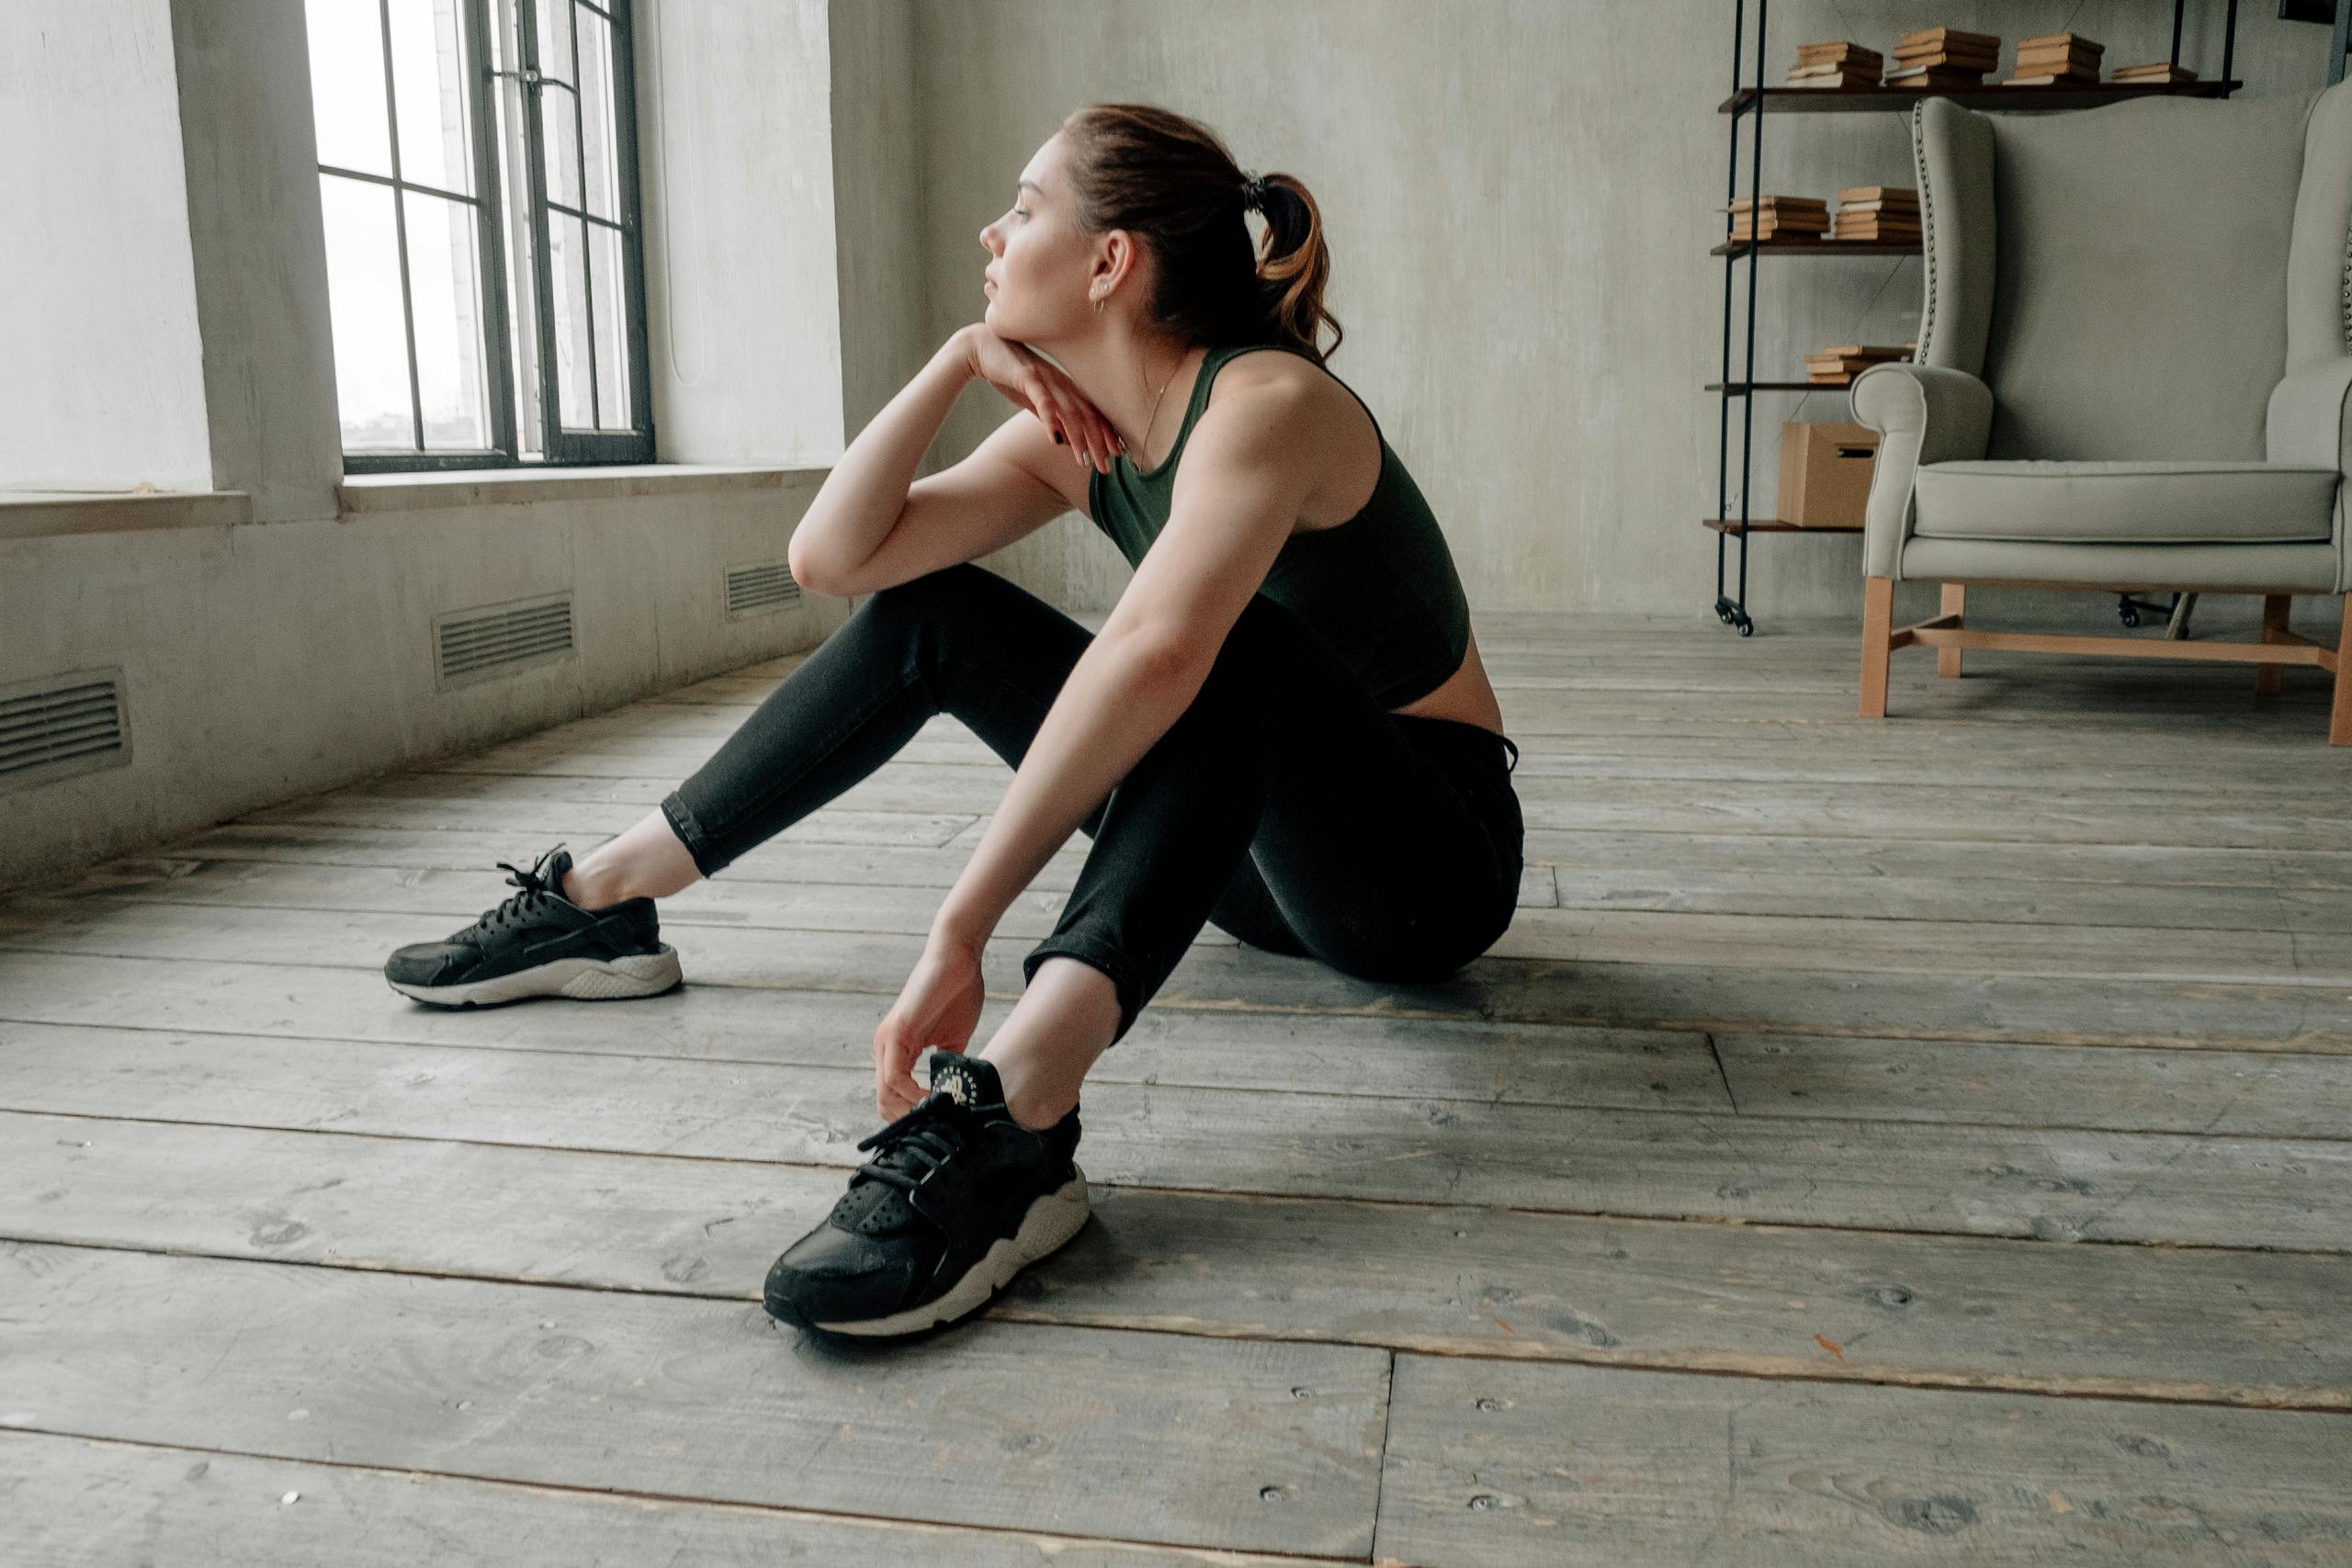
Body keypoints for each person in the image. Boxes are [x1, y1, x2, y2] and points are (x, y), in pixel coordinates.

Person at [381, 102, 1523, 1341]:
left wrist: (960, 926)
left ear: (1108, 260)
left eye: (1026, 207)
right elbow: (835, 560)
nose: (993, 227)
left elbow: (1157, 656)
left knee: (1214, 640)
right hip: (1247, 867)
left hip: (1419, 869)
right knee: (934, 610)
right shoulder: (1073, 438)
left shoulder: (1266, 403)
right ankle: (605, 901)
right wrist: (955, 363)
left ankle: (1019, 1111)